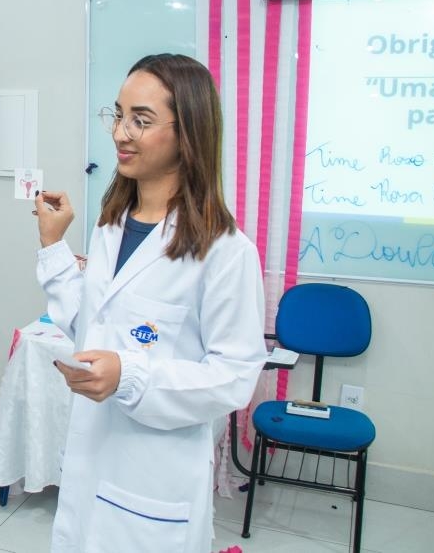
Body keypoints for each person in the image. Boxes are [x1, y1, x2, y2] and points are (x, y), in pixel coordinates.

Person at [32, 53, 266, 552]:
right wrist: (53, 246)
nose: (120, 133)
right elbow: (91, 328)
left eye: (141, 120)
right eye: (118, 115)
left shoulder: (225, 252)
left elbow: (234, 376)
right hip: (91, 461)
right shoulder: (111, 225)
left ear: (189, 133)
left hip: (154, 478)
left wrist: (132, 376)